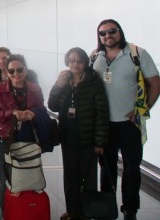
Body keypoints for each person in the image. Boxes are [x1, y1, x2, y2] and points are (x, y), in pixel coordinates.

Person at [92, 19, 160, 220]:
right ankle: (107, 205)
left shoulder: (136, 54)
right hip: (104, 124)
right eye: (103, 33)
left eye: (111, 31)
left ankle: (130, 209)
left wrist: (142, 108)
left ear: (119, 32)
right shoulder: (95, 56)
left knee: (131, 167)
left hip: (130, 124)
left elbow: (155, 84)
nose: (107, 36)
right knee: (106, 166)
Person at [48, 47, 110, 220]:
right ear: (67, 62)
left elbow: (101, 112)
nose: (75, 64)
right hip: (68, 137)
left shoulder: (93, 81)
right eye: (72, 60)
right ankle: (72, 211)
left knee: (88, 178)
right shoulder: (64, 80)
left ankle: (85, 212)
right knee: (70, 177)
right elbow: (52, 106)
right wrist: (57, 86)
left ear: (85, 62)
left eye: (79, 61)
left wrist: (100, 142)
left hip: (88, 138)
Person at [0, 54, 46, 215]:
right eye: (12, 70)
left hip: (28, 138)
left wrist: (32, 113)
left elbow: (42, 110)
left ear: (25, 71)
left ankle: (27, 212)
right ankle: (7, 212)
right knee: (6, 178)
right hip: (5, 139)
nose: (16, 74)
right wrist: (12, 113)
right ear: (7, 72)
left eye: (19, 69)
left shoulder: (34, 89)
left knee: (29, 173)